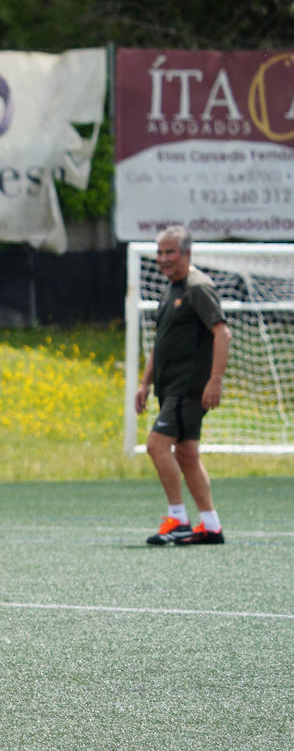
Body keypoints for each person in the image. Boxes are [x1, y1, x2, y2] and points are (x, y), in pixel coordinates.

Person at [135, 225, 232, 546]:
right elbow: (161, 343)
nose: (163, 259)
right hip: (169, 387)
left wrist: (214, 381)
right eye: (160, 252)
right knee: (187, 454)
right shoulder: (171, 289)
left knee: (156, 445)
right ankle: (210, 526)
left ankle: (177, 519)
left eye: (170, 252)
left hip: (188, 387)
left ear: (187, 254)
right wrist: (145, 383)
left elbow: (222, 333)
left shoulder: (197, 287)